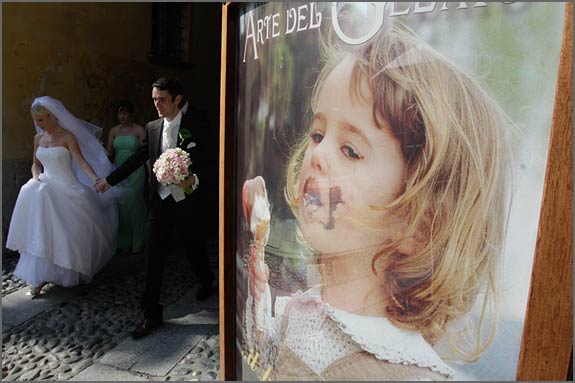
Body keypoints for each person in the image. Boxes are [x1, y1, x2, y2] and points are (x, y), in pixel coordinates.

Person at [242, 21, 511, 381]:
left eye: (351, 151)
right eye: (318, 133)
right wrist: (258, 308)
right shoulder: (296, 309)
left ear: (419, 222)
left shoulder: (410, 374)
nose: (317, 154)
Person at [95, 77, 215, 339]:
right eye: (154, 100)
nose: (156, 104)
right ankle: (151, 313)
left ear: (177, 99)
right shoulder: (151, 127)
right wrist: (109, 180)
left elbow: (211, 157)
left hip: (187, 197)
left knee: (193, 244)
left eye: (161, 99)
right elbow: (140, 158)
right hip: (160, 200)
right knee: (153, 255)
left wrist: (194, 178)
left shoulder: (198, 123)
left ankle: (206, 279)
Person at [6, 96, 119, 297]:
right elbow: (35, 163)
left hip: (68, 187)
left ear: (52, 116)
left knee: (66, 234)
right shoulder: (38, 139)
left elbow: (82, 162)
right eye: (35, 120)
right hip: (44, 187)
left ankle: (66, 270)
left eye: (40, 120)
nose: (37, 124)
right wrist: (35, 177)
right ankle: (39, 278)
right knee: (41, 231)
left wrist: (95, 179)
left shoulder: (67, 137)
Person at [106, 100, 147, 254]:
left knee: (135, 203)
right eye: (120, 113)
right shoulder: (113, 131)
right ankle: (123, 241)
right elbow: (109, 153)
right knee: (121, 205)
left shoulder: (139, 130)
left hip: (136, 169)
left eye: (125, 112)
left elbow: (146, 153)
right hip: (118, 168)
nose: (122, 116)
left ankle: (138, 240)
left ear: (131, 113)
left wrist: (151, 173)